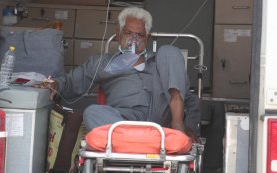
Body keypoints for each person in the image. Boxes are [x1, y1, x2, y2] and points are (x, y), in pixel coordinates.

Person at [40, 7, 200, 136]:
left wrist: (190, 127)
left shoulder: (161, 60)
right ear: (118, 35)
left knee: (170, 50)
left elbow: (188, 98)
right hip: (124, 119)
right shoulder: (103, 63)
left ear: (148, 38)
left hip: (163, 117)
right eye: (129, 33)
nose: (134, 39)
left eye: (140, 35)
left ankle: (176, 128)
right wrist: (56, 84)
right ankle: (142, 139)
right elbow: (71, 82)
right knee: (91, 112)